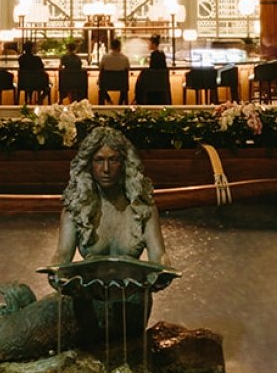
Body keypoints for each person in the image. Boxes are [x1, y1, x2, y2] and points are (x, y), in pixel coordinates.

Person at [55, 127, 165, 266]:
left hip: (133, 286)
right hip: (89, 287)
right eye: (99, 160)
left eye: (113, 160)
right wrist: (55, 271)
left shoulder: (142, 208)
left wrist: (163, 269)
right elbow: (62, 255)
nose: (106, 169)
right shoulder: (77, 208)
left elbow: (159, 256)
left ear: (125, 164)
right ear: (89, 165)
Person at [97, 38, 132, 105]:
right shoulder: (125, 58)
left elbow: (100, 68)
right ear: (119, 47)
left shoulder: (105, 57)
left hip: (106, 84)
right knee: (123, 89)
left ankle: (107, 101)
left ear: (111, 47)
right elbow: (128, 68)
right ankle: (120, 105)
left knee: (101, 87)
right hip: (121, 84)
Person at [16, 39, 50, 104]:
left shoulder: (21, 58)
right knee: (48, 85)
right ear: (32, 48)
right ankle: (40, 99)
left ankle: (27, 100)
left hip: (24, 82)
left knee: (30, 81)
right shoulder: (37, 59)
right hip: (37, 83)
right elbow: (41, 68)